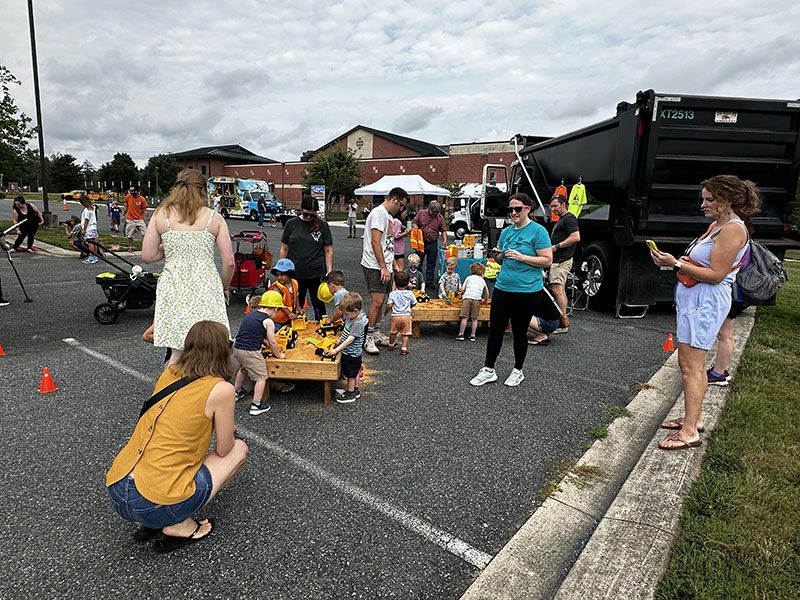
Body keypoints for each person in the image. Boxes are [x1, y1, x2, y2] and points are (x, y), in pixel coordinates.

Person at [105, 321, 248, 553]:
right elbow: (223, 449)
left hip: (118, 491)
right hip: (154, 504)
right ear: (224, 350)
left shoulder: (170, 373)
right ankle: (180, 524)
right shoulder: (221, 389)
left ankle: (153, 520)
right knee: (239, 449)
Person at [649, 175, 757, 450]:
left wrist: (676, 264)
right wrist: (673, 263)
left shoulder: (732, 229)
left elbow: (716, 275)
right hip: (695, 300)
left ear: (727, 200)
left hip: (705, 301)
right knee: (688, 364)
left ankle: (689, 433)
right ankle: (691, 419)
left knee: (692, 366)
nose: (703, 204)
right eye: (704, 198)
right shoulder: (716, 226)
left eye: (710, 199)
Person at [142, 169, 234, 365]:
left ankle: (170, 391)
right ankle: (206, 391)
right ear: (202, 190)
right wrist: (224, 286)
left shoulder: (162, 214)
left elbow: (148, 255)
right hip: (205, 285)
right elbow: (229, 262)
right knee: (210, 344)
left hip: (173, 285)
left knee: (176, 351)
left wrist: (168, 248)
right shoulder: (214, 218)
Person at [470, 193, 552, 387]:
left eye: (517, 209)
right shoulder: (506, 232)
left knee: (519, 330)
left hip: (527, 290)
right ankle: (489, 369)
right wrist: (496, 255)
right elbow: (501, 258)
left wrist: (522, 257)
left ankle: (518, 370)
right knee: (496, 328)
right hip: (503, 286)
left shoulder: (538, 232)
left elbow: (547, 260)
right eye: (510, 209)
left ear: (528, 208)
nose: (513, 213)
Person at [361, 187, 409, 355]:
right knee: (377, 301)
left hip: (385, 266)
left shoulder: (388, 216)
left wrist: (393, 264)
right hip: (374, 265)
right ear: (395, 200)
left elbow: (387, 244)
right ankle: (367, 337)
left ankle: (375, 334)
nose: (401, 210)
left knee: (382, 301)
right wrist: (382, 266)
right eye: (401, 205)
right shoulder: (378, 214)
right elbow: (375, 241)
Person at [232, 290, 288, 416]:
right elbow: (273, 341)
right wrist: (278, 355)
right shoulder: (268, 322)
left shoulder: (250, 315)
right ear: (274, 308)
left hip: (238, 348)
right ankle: (256, 405)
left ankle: (237, 392)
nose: (278, 313)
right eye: (278, 310)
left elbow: (252, 333)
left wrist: (264, 343)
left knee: (244, 369)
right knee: (262, 376)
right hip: (251, 351)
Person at [280, 196, 334, 321]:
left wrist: (329, 272)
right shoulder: (291, 224)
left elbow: (328, 250)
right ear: (301, 209)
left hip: (317, 272)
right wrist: (281, 269)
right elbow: (284, 248)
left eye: (312, 215)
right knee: (295, 304)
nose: (309, 217)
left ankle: (321, 327)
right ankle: (296, 329)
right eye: (306, 214)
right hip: (295, 273)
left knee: (318, 304)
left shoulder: (323, 225)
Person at [324, 292, 368, 404]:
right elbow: (346, 332)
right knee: (355, 372)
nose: (345, 316)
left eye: (346, 314)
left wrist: (336, 350)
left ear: (356, 311)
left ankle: (350, 393)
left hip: (351, 354)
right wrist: (339, 340)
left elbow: (350, 339)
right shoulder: (351, 318)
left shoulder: (357, 323)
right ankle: (355, 390)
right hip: (351, 352)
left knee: (351, 375)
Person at [548, 193, 580, 333]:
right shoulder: (562, 219)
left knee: (557, 289)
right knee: (558, 289)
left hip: (562, 259)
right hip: (558, 259)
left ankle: (562, 322)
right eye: (552, 206)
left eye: (555, 206)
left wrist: (557, 246)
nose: (553, 209)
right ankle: (562, 320)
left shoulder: (569, 218)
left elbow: (576, 237)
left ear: (563, 204)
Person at [412, 200, 448, 287]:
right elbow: (414, 222)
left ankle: (429, 281)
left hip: (433, 243)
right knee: (418, 262)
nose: (435, 214)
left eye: (437, 212)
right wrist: (415, 227)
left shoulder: (439, 218)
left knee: (431, 263)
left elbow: (443, 230)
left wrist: (445, 240)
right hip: (421, 242)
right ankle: (418, 281)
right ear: (429, 209)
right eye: (433, 212)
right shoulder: (421, 213)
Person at [384, 271, 417, 355]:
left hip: (395, 316)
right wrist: (410, 307)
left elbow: (389, 305)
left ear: (395, 282)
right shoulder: (410, 293)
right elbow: (414, 302)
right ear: (407, 283)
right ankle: (404, 348)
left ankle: (391, 344)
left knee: (393, 332)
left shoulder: (392, 294)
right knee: (405, 333)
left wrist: (386, 312)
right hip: (406, 316)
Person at [457, 262, 489, 341]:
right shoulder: (482, 280)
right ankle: (473, 335)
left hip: (467, 298)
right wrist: (485, 300)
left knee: (464, 317)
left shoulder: (469, 278)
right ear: (482, 273)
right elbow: (486, 292)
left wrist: (460, 292)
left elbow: (463, 289)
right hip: (477, 299)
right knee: (474, 318)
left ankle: (461, 334)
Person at [268, 258, 300, 327]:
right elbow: (279, 304)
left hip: (290, 315)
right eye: (277, 275)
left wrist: (298, 308)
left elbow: (296, 295)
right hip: (279, 319)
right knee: (278, 333)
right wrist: (289, 313)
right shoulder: (276, 288)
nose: (279, 277)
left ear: (289, 274)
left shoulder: (294, 283)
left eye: (282, 275)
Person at [80, 195, 100, 264]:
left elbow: (86, 220)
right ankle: (95, 256)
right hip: (93, 227)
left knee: (90, 243)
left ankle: (92, 256)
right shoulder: (92, 208)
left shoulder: (86, 211)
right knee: (94, 242)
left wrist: (84, 229)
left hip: (89, 228)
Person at [392, 205, 411, 270]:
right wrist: (406, 232)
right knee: (400, 269)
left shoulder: (393, 220)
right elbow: (396, 236)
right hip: (398, 250)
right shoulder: (397, 222)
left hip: (394, 248)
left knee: (394, 268)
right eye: (405, 213)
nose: (406, 215)